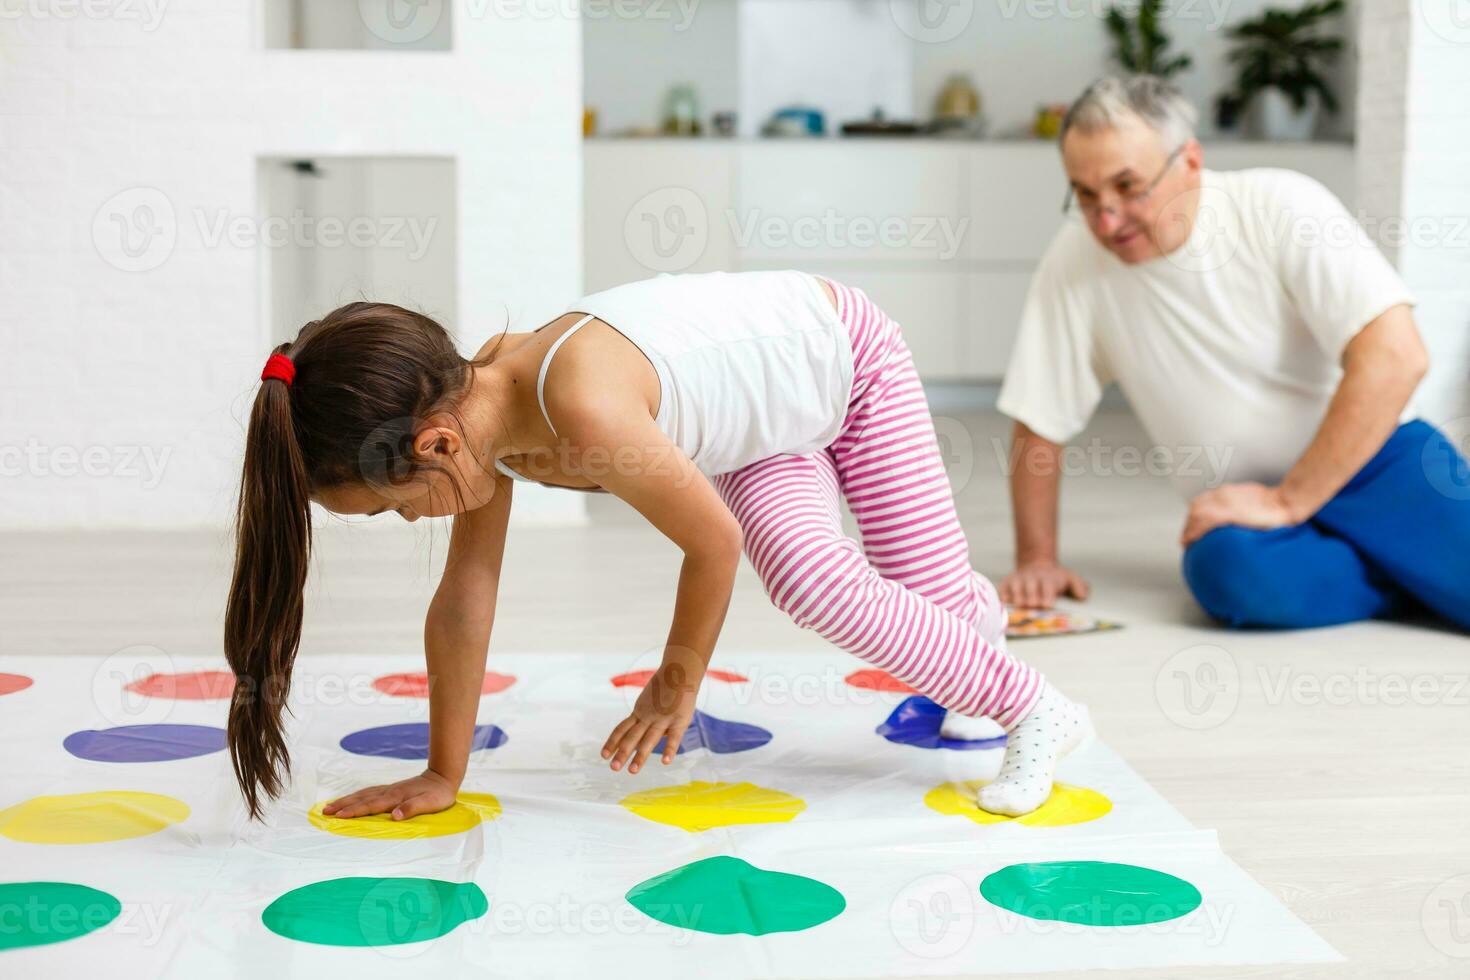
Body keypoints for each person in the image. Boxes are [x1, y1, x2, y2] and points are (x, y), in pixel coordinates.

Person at [225, 270, 1089, 823]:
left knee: (858, 590)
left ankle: (1035, 706)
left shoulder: (582, 411)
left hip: (848, 367)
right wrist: (441, 773)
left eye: (391, 510)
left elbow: (713, 545)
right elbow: (465, 596)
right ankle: (970, 624)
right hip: (758, 432)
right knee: (830, 581)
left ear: (435, 446)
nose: (414, 523)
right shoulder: (485, 411)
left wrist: (676, 685)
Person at [996, 76, 1469, 630]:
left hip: (1377, 465)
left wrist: (1289, 502)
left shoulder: (1279, 204)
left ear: (1190, 161)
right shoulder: (1075, 260)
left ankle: (1394, 570)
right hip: (1248, 515)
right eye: (1086, 194)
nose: (1107, 219)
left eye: (1128, 187)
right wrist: (1036, 559)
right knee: (1226, 571)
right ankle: (1408, 577)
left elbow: (1397, 354)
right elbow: (1038, 419)